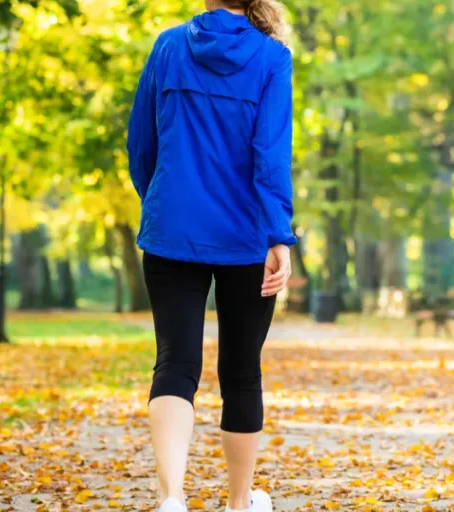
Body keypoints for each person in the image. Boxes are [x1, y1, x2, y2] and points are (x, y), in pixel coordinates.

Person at [126, 0, 295, 511]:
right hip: (246, 237)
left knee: (174, 364)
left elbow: (141, 143)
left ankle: (172, 499)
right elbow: (270, 152)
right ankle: (240, 504)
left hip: (172, 229)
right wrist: (278, 236)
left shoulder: (169, 46)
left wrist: (162, 201)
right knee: (242, 371)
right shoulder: (272, 58)